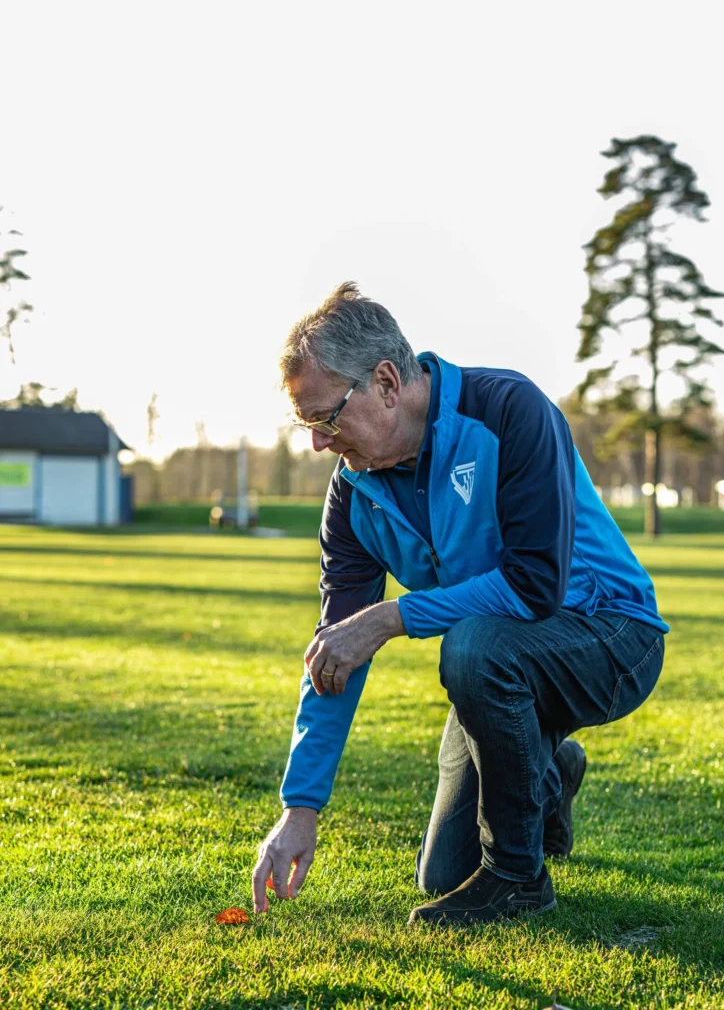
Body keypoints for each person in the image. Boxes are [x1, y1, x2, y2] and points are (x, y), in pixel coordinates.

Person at [252, 282, 668, 928]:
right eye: (305, 424)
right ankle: (549, 769)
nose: (317, 443)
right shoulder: (353, 496)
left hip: (613, 633)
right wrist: (299, 806)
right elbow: (336, 649)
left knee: (471, 649)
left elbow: (534, 586)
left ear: (386, 383)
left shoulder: (508, 411)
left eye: (325, 418)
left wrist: (393, 618)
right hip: (506, 652)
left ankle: (517, 879)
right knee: (442, 873)